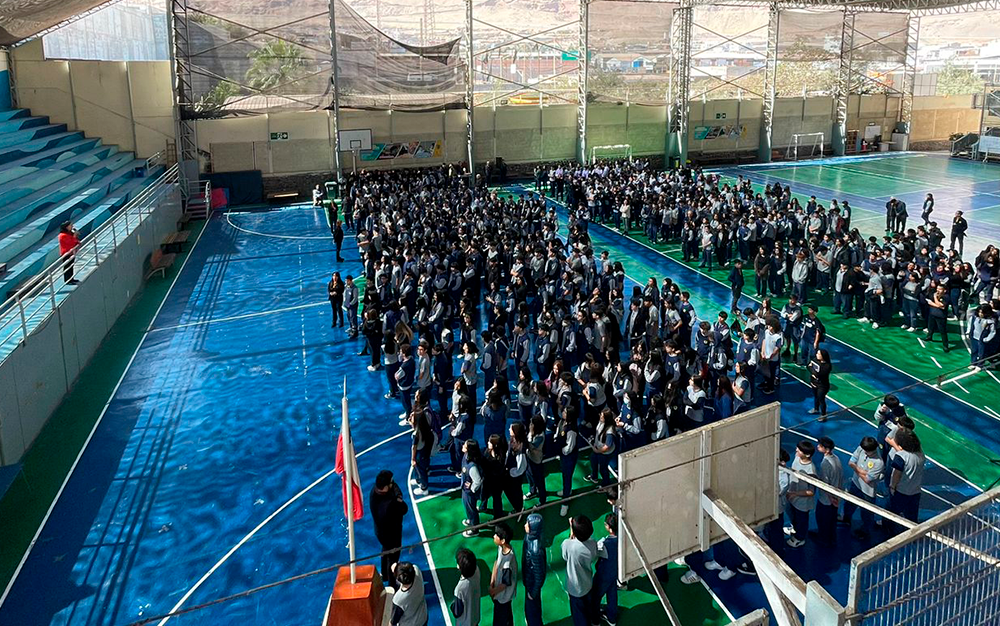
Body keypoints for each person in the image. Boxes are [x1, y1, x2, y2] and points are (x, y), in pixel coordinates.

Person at [840, 436, 883, 541]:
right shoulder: (861, 449)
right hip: (856, 483)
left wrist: (857, 470)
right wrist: (863, 472)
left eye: (867, 451)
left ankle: (865, 531)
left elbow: (868, 480)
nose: (865, 452)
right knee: (849, 504)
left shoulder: (878, 462)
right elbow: (851, 462)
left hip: (868, 491)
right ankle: (846, 519)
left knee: (867, 513)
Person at [370, 470, 409, 587]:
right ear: (386, 487)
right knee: (393, 558)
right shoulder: (389, 505)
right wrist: (399, 500)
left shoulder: (375, 491)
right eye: (390, 483)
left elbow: (394, 486)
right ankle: (392, 584)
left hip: (380, 532)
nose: (393, 484)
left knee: (385, 550)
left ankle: (385, 574)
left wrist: (397, 495)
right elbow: (404, 509)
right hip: (392, 534)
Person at [562, 515, 598, 626]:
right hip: (587, 584)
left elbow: (565, 556)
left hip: (575, 588)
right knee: (589, 605)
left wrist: (571, 529)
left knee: (579, 614)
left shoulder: (567, 544)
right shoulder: (592, 544)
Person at [889, 429, 925, 525]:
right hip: (915, 490)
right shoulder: (921, 454)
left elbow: (897, 474)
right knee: (912, 514)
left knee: (892, 511)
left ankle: (888, 526)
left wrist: (893, 486)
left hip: (901, 490)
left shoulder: (901, 456)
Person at [786, 440, 816, 548]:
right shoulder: (797, 457)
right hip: (793, 496)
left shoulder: (811, 470)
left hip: (802, 502)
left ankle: (800, 538)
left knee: (802, 519)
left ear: (807, 454)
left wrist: (794, 493)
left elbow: (811, 492)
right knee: (793, 516)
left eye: (799, 450)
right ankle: (795, 529)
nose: (796, 450)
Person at [814, 437, 842, 547]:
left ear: (826, 450)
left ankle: (824, 539)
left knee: (822, 518)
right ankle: (832, 537)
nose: (818, 447)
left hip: (827, 498)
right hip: (835, 494)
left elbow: (825, 483)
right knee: (832, 519)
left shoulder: (825, 464)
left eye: (820, 446)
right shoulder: (836, 458)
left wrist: (831, 498)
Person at [593, 512, 620, 626]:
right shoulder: (622, 541)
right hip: (615, 571)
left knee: (595, 595)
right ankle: (612, 617)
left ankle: (594, 619)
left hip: (604, 574)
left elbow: (594, 553)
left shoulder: (605, 544)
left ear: (608, 527)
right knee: (612, 593)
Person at [489, 522, 518, 626]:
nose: (494, 536)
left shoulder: (507, 562)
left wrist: (493, 591)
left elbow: (505, 584)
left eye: (496, 535)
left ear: (502, 540)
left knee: (501, 620)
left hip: (503, 598)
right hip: (498, 594)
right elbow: (496, 563)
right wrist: (492, 582)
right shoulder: (501, 547)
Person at [521, 514, 547, 626]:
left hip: (532, 584)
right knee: (532, 607)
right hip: (529, 580)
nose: (525, 525)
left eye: (528, 524)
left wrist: (533, 592)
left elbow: (539, 574)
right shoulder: (531, 537)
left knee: (532, 609)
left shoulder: (535, 551)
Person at [390, 562, 428, 626]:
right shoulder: (417, 570)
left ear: (398, 579)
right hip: (423, 617)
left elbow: (393, 621)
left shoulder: (399, 599)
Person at [451, 547, 482, 626]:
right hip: (475, 618)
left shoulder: (460, 588)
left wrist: (452, 606)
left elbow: (457, 612)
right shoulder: (477, 570)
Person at [461, 439, 485, 538]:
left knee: (471, 508)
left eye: (465, 445)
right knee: (468, 507)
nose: (463, 446)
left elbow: (478, 480)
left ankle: (474, 528)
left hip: (469, 493)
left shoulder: (472, 466)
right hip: (465, 490)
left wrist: (472, 488)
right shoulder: (466, 457)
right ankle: (471, 520)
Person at [808, 348, 832, 421]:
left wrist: (813, 372)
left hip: (822, 386)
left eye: (818, 354)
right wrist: (813, 372)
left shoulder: (827, 366)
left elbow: (819, 374)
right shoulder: (816, 360)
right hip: (814, 383)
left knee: (821, 399)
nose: (816, 355)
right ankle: (816, 409)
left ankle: (823, 415)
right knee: (816, 396)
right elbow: (808, 366)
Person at [925, 284, 950, 352]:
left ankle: (945, 345)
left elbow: (941, 305)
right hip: (932, 314)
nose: (937, 290)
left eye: (940, 289)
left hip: (941, 316)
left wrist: (934, 299)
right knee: (930, 327)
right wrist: (937, 305)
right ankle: (929, 336)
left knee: (942, 331)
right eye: (937, 288)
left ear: (944, 290)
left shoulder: (946, 297)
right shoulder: (934, 293)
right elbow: (933, 303)